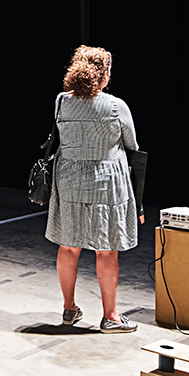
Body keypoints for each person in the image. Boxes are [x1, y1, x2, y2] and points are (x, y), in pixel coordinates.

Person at [45, 45, 141, 333]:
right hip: (105, 182)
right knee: (106, 250)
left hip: (69, 179)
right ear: (104, 74)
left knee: (68, 245)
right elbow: (132, 145)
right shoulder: (116, 106)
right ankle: (110, 317)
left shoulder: (62, 101)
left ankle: (69, 309)